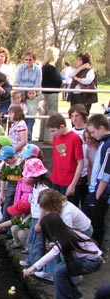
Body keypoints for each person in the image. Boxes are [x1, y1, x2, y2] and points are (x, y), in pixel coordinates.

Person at [23, 213, 103, 299]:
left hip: (91, 262)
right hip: (92, 260)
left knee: (59, 272)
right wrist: (54, 245)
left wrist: (31, 268)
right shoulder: (67, 233)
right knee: (62, 269)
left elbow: (50, 255)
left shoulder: (66, 238)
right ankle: (75, 296)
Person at [46, 113, 84, 206]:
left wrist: (73, 184)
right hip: (56, 180)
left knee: (67, 210)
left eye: (53, 131)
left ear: (62, 127)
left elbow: (80, 162)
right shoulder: (56, 137)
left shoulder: (75, 138)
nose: (52, 134)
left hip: (69, 181)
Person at [84, 114, 110, 247]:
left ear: (101, 128)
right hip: (95, 188)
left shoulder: (107, 144)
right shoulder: (103, 143)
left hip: (101, 191)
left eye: (93, 132)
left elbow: (105, 173)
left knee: (96, 223)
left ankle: (95, 250)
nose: (92, 136)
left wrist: (97, 194)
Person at [40, 47, 63, 144]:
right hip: (52, 94)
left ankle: (42, 136)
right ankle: (49, 138)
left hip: (44, 93)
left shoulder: (43, 67)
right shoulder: (51, 68)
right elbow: (58, 81)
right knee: (52, 115)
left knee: (44, 115)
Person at [69, 104, 90, 207]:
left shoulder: (90, 131)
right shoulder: (70, 132)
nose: (74, 119)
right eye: (72, 116)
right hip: (75, 173)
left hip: (88, 172)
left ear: (83, 115)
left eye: (77, 115)